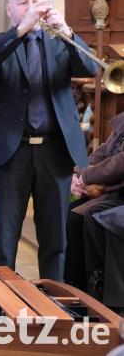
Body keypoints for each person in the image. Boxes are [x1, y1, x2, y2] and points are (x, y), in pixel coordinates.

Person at [0, 0, 98, 281]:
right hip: (10, 153)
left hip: (54, 152)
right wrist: (21, 31)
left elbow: (89, 68)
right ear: (10, 9)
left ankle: (55, 303)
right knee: (5, 239)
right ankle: (2, 305)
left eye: (36, 1)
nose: (32, 8)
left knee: (55, 239)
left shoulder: (60, 42)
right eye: (24, 2)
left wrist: (66, 31)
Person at [65, 111, 124, 307]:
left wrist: (94, 182)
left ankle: (102, 294)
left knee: (89, 217)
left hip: (117, 190)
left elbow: (120, 161)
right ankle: (75, 287)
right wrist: (81, 171)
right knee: (70, 213)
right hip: (115, 190)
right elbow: (104, 151)